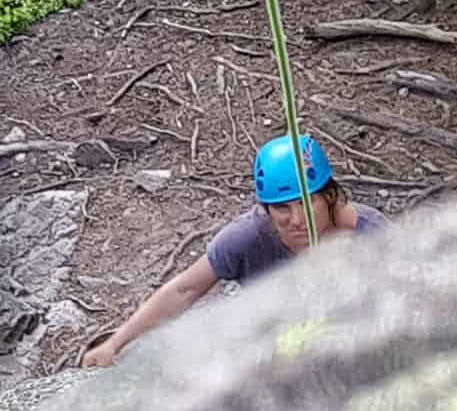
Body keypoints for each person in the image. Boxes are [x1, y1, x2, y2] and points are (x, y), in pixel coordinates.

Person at [83, 134, 382, 367]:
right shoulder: (248, 238)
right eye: (281, 208)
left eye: (306, 202)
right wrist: (114, 344)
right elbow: (184, 290)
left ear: (328, 196)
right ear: (266, 210)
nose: (296, 220)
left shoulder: (370, 233)